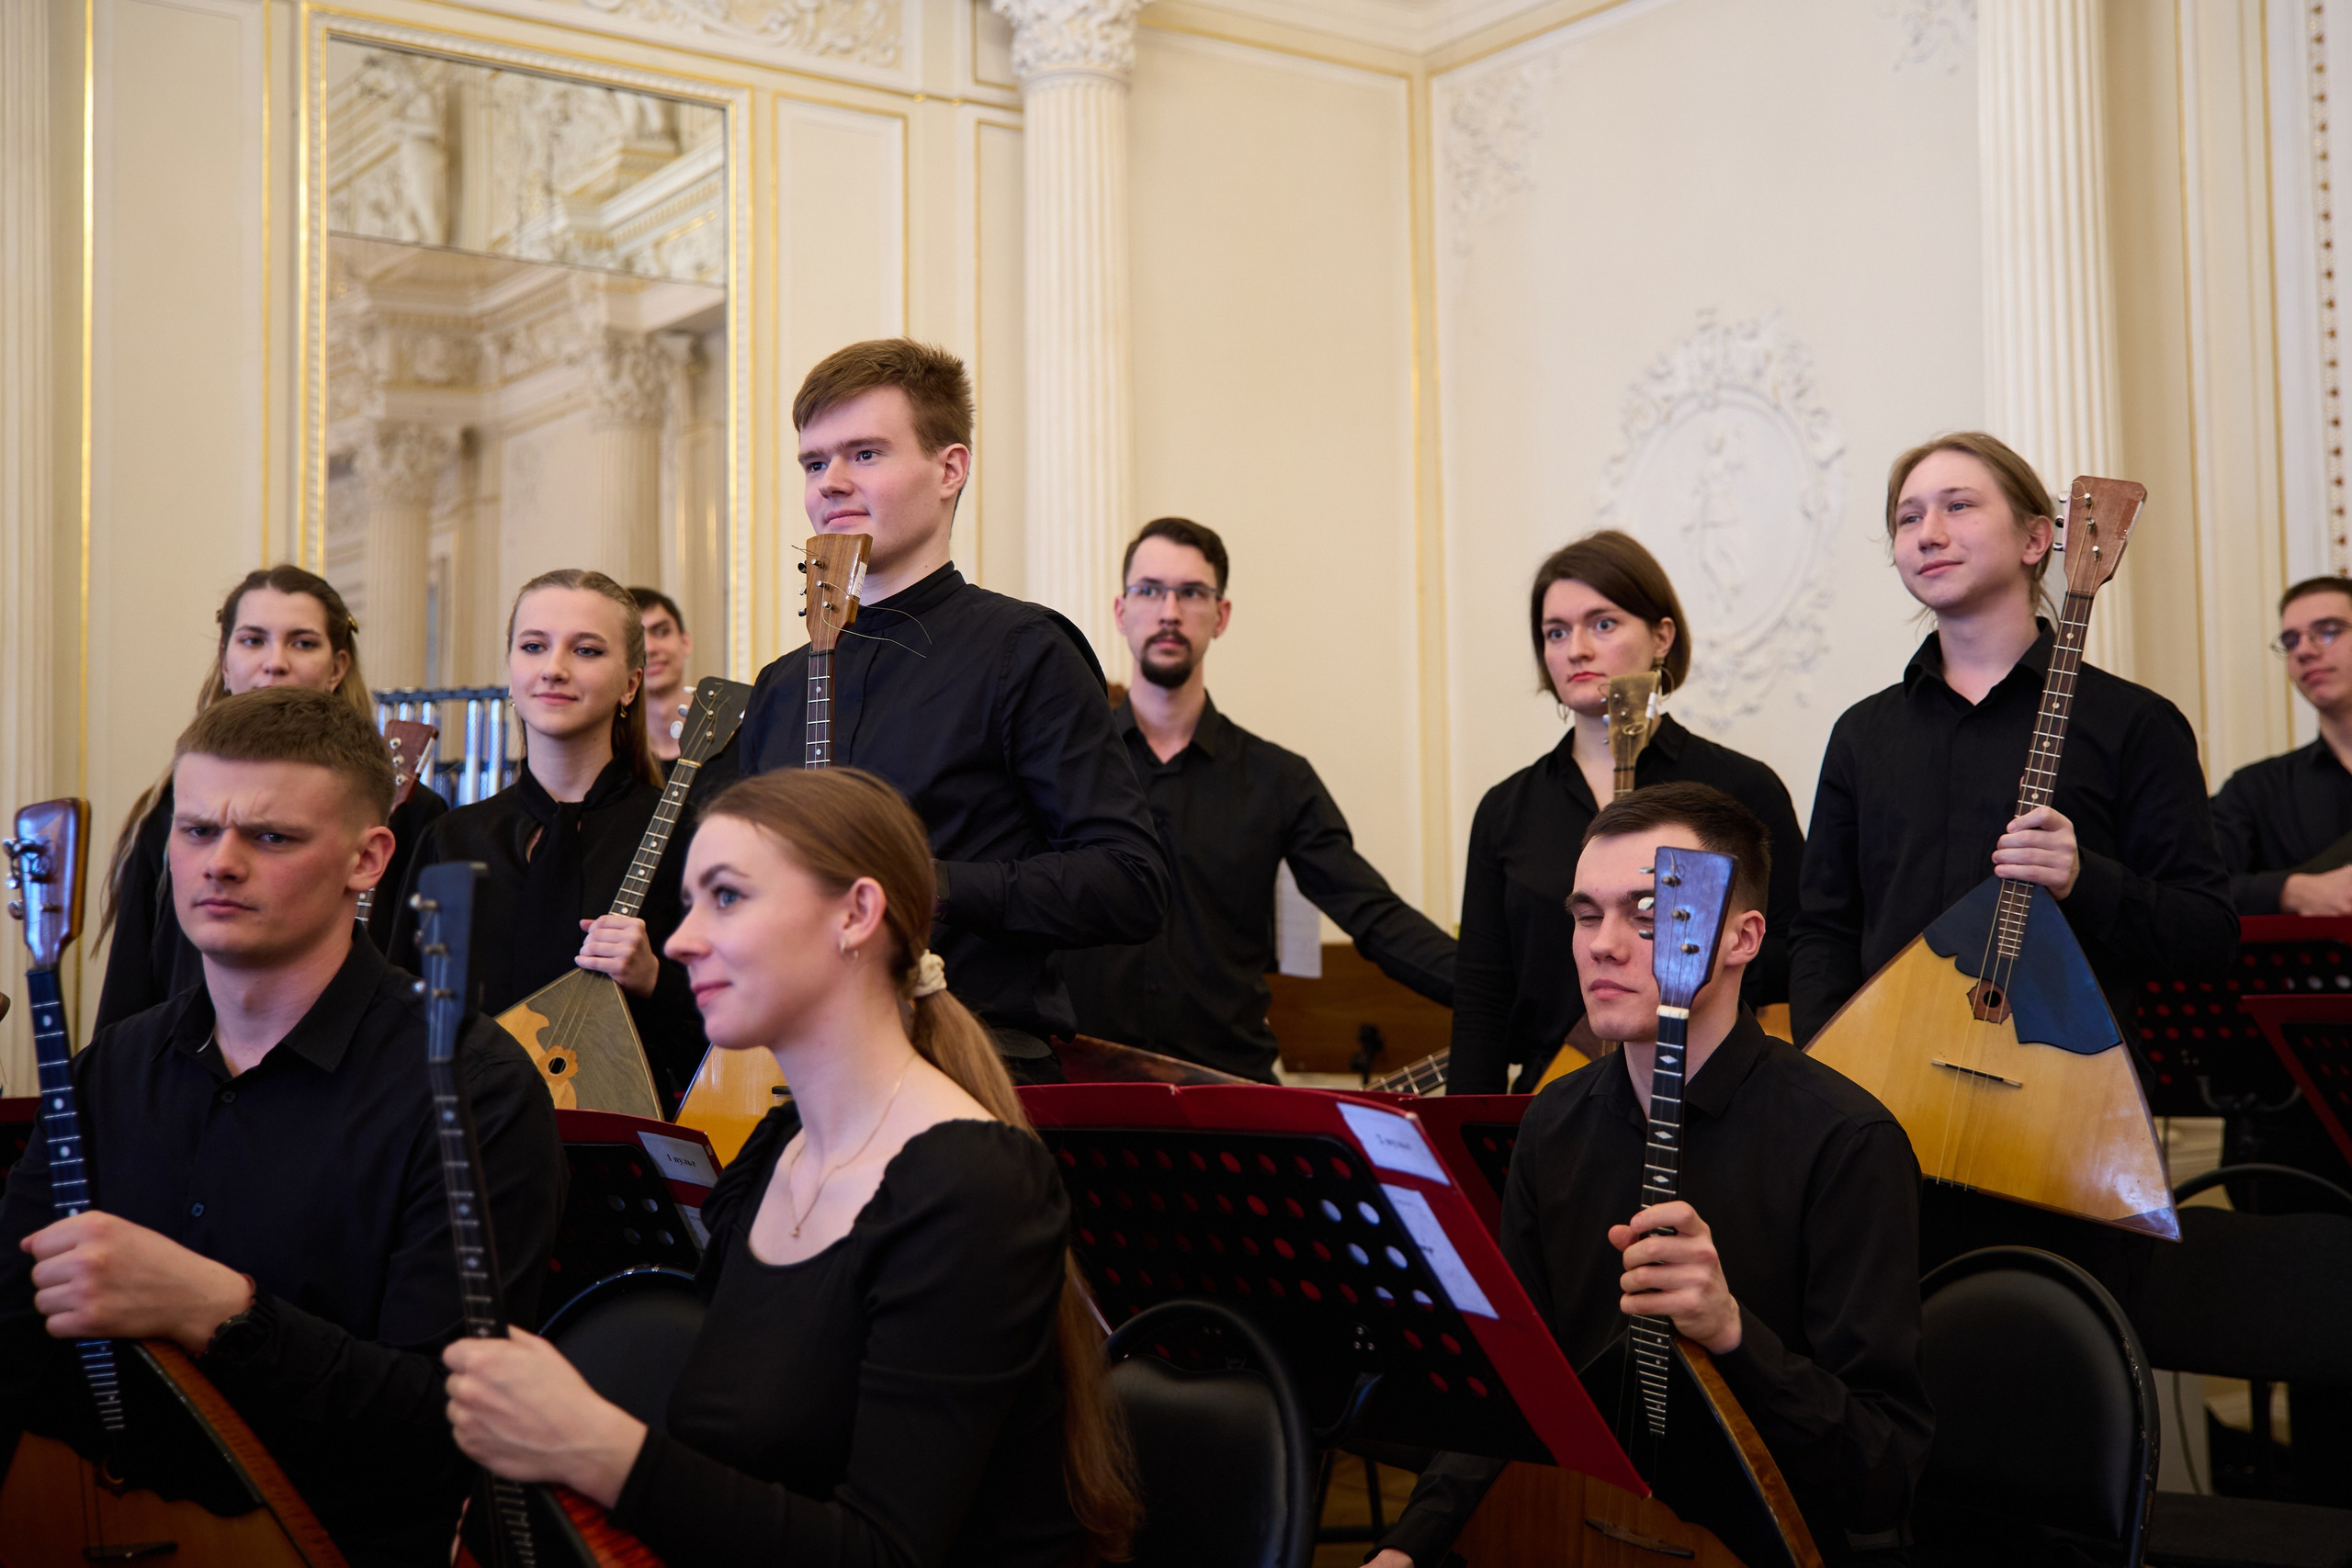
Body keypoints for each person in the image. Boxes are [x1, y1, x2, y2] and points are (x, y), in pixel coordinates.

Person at [437, 766, 1137, 1565]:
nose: (679, 938)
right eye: (692, 899)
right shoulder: (776, 1149)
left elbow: (884, 1553)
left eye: (727, 896)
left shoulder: (973, 1185)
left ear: (856, 912)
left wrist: (597, 1446)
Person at [0, 687, 563, 1567]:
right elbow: (14, 1329)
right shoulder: (115, 1065)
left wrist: (215, 1309)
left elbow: (443, 1423)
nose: (219, 863)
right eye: (196, 830)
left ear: (368, 858)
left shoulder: (473, 1091)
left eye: (270, 836)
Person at [1369, 784, 1930, 1567]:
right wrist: (1407, 1547)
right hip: (1572, 1532)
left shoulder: (1846, 1141)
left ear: (1742, 937)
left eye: (1645, 912)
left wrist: (1734, 1332)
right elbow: (1523, 1392)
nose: (1603, 943)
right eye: (1585, 913)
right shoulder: (1552, 1122)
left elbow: (1881, 1472)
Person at [735, 339, 1168, 1077]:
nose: (830, 482)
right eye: (813, 462)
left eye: (864, 454)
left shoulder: (1024, 650)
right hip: (797, 1069)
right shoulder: (781, 688)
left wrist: (927, 884)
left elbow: (1128, 880)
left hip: (967, 1065)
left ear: (950, 468)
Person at [1789, 433, 2236, 1046]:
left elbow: (2208, 934)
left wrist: (2086, 878)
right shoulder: (1863, 734)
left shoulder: (2135, 722)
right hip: (1884, 1092)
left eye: (1959, 506)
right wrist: (1830, 1066)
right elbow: (1823, 930)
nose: (1929, 533)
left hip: (2066, 1105)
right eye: (1908, 517)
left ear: (2035, 539)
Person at [1063, 516, 1454, 1080]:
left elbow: (1373, 916)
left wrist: (1502, 999)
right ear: (1122, 612)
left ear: (1220, 616)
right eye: (1150, 591)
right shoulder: (1066, 767)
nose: (1169, 612)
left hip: (1228, 1092)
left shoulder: (1279, 780)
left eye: (1191, 593)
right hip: (1082, 1087)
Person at [1449, 531, 1804, 1093]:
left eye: (1603, 624)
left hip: (1709, 1090)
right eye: (1556, 632)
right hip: (1552, 1095)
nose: (1577, 649)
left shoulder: (1741, 786)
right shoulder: (1507, 809)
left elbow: (1791, 948)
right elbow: (1483, 994)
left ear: (1662, 637)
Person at [390, 569, 707, 1110]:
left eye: (585, 651)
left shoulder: (684, 833)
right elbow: (400, 1014)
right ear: (512, 670)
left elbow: (736, 1036)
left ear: (631, 683)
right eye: (533, 646)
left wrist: (656, 979)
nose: (554, 669)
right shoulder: (453, 839)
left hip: (624, 1144)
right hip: (473, 1141)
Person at [94, 564, 447, 1032]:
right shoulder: (167, 808)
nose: (274, 661)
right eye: (253, 640)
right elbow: (132, 985)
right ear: (225, 661)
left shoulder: (413, 813)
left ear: (337, 666)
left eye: (302, 642)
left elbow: (427, 977)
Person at [2212, 575, 2352, 914]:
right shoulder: (2253, 791)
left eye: (2328, 630)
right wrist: (2291, 891)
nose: (2304, 650)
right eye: (2291, 641)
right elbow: (2190, 887)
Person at [630, 585, 695, 768]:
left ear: (685, 642)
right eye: (636, 639)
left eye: (661, 632)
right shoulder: (611, 757)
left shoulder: (732, 740)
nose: (649, 648)